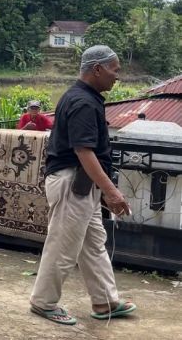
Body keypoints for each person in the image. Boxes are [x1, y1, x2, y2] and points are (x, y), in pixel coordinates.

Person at [29, 45, 135, 325]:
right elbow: (84, 152)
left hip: (82, 185)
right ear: (97, 69)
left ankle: (105, 302)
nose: (117, 76)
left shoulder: (87, 98)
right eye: (115, 70)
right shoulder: (84, 102)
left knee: (93, 244)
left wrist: (100, 191)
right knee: (63, 246)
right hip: (71, 183)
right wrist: (112, 192)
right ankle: (43, 302)